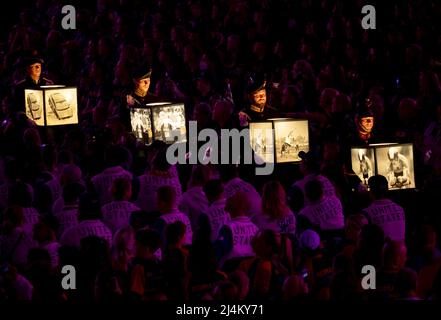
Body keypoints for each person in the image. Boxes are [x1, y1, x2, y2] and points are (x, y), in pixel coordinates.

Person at [362, 175, 406, 242]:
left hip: (381, 251)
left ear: (371, 191)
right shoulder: (400, 209)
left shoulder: (367, 213)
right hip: (401, 250)